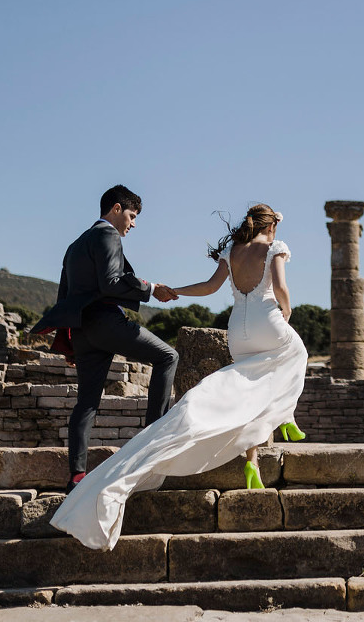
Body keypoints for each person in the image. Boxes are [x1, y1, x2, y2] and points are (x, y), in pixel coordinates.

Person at [50, 203, 309, 551]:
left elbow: (209, 286)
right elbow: (280, 288)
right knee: (296, 354)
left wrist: (176, 291)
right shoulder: (275, 247)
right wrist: (287, 309)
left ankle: (253, 460)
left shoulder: (232, 252)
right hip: (267, 321)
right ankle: (285, 414)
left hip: (238, 332)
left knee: (246, 389)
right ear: (272, 226)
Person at [30, 185, 180, 494]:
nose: (133, 224)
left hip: (82, 332)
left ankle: (76, 476)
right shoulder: (108, 235)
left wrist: (68, 342)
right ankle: (151, 441)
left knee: (86, 403)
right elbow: (112, 282)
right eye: (132, 215)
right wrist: (152, 289)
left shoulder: (74, 246)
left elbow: (65, 298)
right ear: (115, 209)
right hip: (105, 322)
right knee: (168, 357)